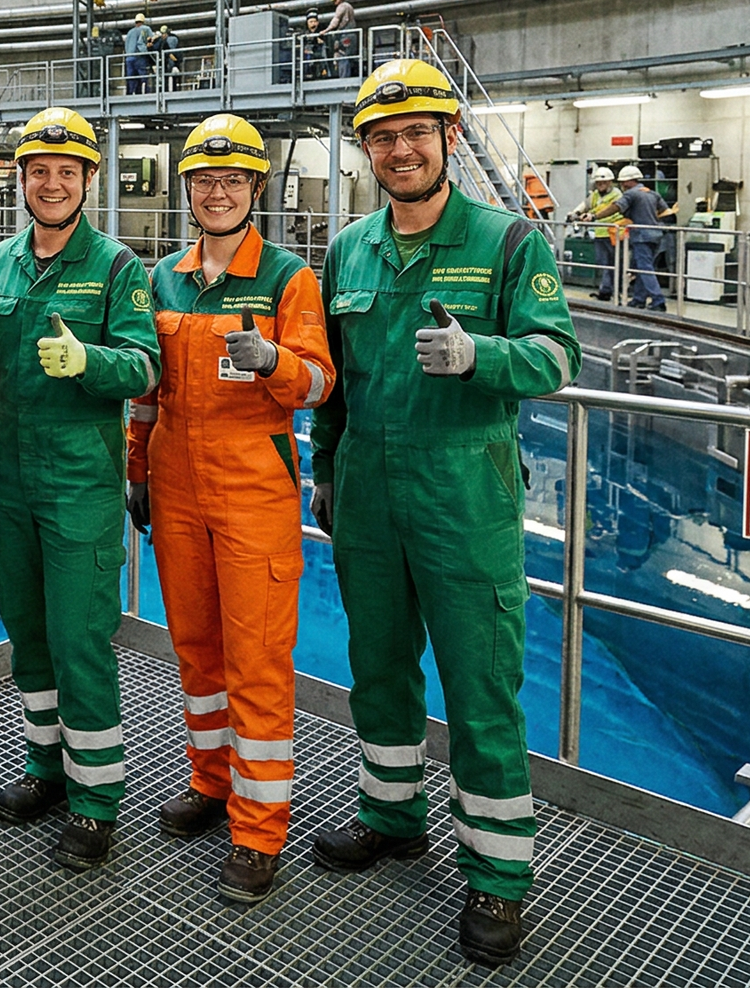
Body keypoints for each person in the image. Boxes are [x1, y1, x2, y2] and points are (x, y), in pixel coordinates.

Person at [306, 59, 579, 967]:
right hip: (369, 498)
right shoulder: (348, 251)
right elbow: (337, 380)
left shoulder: (507, 243)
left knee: (480, 686)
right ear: (366, 152)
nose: (400, 149)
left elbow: (556, 356)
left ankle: (498, 877)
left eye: (416, 132)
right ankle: (391, 815)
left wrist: (482, 357)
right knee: (377, 668)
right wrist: (324, 466)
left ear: (449, 140)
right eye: (382, 137)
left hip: (467, 498)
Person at [124, 114, 332, 907]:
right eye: (205, 181)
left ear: (255, 190)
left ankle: (257, 825)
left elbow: (318, 382)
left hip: (252, 495)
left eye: (233, 181)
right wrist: (137, 471)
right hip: (175, 491)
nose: (217, 192)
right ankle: (211, 784)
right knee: (197, 651)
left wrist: (276, 360)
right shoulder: (163, 279)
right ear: (188, 192)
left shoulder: (287, 278)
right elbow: (147, 392)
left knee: (256, 663)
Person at [0, 107, 160, 870]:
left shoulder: (118, 267)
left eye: (67, 171)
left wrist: (90, 363)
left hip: (80, 487)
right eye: (38, 170)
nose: (52, 182)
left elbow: (146, 369)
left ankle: (95, 801)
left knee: (81, 643)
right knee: (30, 636)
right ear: (20, 179)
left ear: (88, 180)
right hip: (8, 487)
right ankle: (46, 768)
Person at [615, 164, 671, 310]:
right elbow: (666, 211)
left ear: (627, 181)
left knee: (645, 268)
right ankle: (639, 299)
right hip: (656, 234)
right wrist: (650, 217)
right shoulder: (652, 193)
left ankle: (658, 300)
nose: (621, 185)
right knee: (643, 267)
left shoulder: (631, 194)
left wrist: (594, 216)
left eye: (622, 182)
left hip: (641, 236)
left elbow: (616, 207)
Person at [570, 166, 625, 300]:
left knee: (613, 263)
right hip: (600, 234)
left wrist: (591, 215)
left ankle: (610, 290)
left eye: (604, 183)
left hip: (614, 233)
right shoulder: (594, 195)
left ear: (610, 182)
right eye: (599, 183)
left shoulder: (617, 195)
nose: (601, 185)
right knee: (604, 263)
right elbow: (585, 204)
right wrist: (575, 213)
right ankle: (607, 290)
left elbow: (606, 209)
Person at [319, 0, 361, 80]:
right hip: (351, 35)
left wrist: (326, 30)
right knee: (349, 57)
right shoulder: (349, 6)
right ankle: (348, 77)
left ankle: (344, 79)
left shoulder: (342, 7)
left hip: (346, 35)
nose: (334, 2)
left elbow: (336, 20)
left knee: (342, 55)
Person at [124, 14, 153, 94]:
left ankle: (131, 93)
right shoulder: (145, 29)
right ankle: (145, 92)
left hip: (129, 58)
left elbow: (126, 46)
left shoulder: (130, 32)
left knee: (131, 77)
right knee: (143, 75)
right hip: (139, 56)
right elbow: (150, 40)